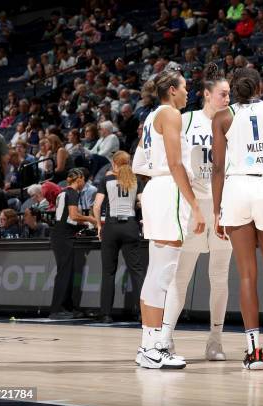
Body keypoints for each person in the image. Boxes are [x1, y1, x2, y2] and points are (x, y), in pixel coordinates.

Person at [211, 67, 263, 370]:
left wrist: (217, 209)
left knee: (247, 275)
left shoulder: (222, 117)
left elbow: (218, 168)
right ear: (260, 86)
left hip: (236, 188)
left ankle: (254, 352)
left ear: (233, 89)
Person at [131, 69, 205, 369]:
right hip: (169, 191)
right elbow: (175, 164)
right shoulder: (171, 115)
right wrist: (196, 206)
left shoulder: (150, 117)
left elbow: (138, 162)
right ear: (172, 90)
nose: (189, 92)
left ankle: (149, 345)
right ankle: (151, 348)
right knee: (163, 274)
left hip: (154, 190)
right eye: (185, 87)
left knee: (156, 273)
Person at [161, 64, 233, 361]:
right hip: (193, 205)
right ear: (206, 94)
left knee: (220, 277)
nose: (227, 99)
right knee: (181, 276)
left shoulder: (234, 123)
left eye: (229, 94)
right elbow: (174, 161)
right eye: (222, 94)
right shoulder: (186, 120)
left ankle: (215, 340)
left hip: (224, 207)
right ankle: (165, 339)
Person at [93, 151, 145, 324]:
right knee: (137, 272)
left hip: (111, 227)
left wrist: (99, 226)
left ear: (114, 163)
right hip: (130, 226)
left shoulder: (106, 180)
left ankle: (106, 314)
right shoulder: (135, 180)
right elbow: (142, 203)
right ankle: (143, 314)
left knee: (108, 272)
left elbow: (97, 206)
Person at [49, 168, 99, 320]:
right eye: (84, 180)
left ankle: (67, 307)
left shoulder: (63, 192)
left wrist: (80, 225)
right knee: (64, 273)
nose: (85, 183)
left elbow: (65, 217)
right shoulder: (73, 193)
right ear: (80, 179)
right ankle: (57, 309)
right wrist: (91, 220)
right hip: (64, 237)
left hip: (60, 234)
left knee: (66, 272)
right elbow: (73, 215)